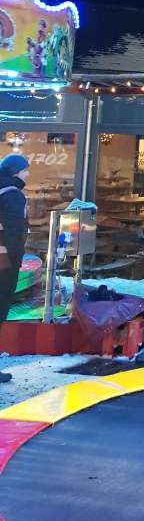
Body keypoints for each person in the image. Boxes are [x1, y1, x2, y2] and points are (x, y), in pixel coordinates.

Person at [0, 153, 30, 382]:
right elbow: (14, 233)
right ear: (15, 172)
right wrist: (16, 259)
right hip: (4, 264)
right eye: (25, 170)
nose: (27, 174)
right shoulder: (13, 196)